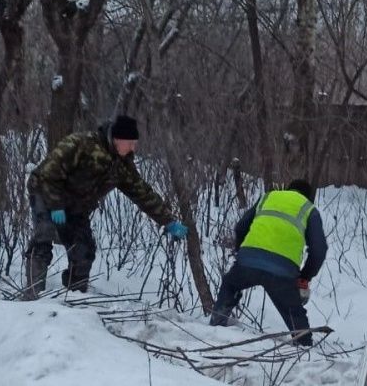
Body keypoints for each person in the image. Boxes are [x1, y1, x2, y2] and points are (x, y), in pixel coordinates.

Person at [21, 115, 188, 299]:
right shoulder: (80, 144)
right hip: (45, 191)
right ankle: (32, 295)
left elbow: (142, 193)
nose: (133, 147)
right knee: (43, 236)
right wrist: (56, 205)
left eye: (135, 143)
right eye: (130, 143)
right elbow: (48, 174)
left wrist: (169, 221)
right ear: (117, 139)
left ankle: (73, 296)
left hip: (76, 206)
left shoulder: (122, 165)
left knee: (84, 250)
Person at [209, 179, 328, 346]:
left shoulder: (268, 197)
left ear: (288, 189)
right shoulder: (309, 209)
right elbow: (319, 250)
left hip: (248, 260)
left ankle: (215, 326)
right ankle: (304, 348)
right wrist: (305, 277)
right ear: (309, 197)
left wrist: (241, 253)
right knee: (294, 314)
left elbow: (241, 227)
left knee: (230, 284)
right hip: (283, 271)